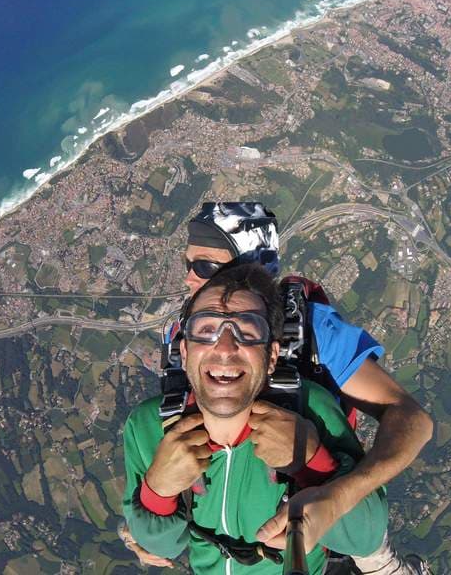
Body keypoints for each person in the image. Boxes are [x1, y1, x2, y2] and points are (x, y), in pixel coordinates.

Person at [125, 202, 434, 574]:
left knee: (365, 548)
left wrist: (336, 492)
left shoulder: (313, 330)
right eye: (188, 264)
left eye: (204, 267)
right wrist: (149, 504)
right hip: (241, 513)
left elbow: (410, 418)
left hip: (328, 488)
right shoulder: (182, 336)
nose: (189, 279)